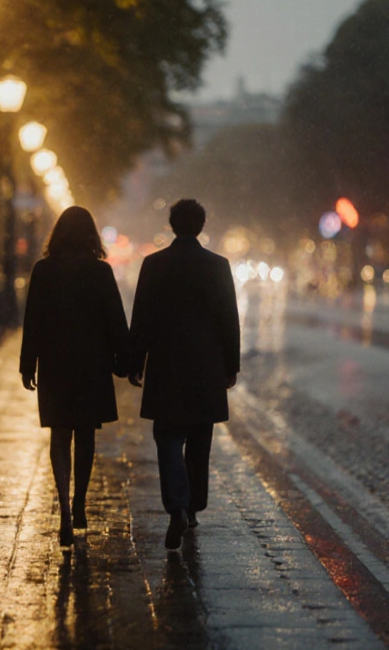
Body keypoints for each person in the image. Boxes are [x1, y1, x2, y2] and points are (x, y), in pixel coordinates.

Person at [126, 199, 240, 550]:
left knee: (169, 438)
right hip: (205, 366)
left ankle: (175, 504)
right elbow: (228, 320)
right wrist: (230, 365)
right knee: (199, 441)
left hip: (167, 365)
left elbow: (142, 318)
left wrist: (135, 361)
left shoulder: (154, 264)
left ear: (173, 225)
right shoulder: (218, 266)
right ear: (201, 227)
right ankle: (192, 507)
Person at [20, 206, 129, 547]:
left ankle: (64, 508)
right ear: (91, 236)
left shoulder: (44, 271)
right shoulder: (100, 273)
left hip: (56, 363)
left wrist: (28, 363)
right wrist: (124, 360)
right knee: (85, 434)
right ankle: (81, 501)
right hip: (90, 364)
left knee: (59, 434)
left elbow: (32, 320)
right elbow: (115, 320)